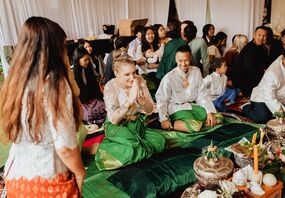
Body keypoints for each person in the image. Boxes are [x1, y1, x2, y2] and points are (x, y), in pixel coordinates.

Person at [0, 16, 85, 197]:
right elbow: (66, 147)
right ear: (52, 49)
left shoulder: (15, 80)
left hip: (15, 178)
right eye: (63, 47)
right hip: (47, 180)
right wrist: (80, 172)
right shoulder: (54, 83)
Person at [95, 53, 165, 170]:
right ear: (117, 74)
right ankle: (99, 148)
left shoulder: (139, 80)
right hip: (117, 125)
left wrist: (143, 102)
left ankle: (120, 143)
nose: (132, 77)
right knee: (133, 148)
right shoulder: (110, 86)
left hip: (135, 123)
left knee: (160, 142)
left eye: (134, 72)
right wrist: (130, 100)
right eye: (127, 74)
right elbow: (114, 120)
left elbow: (149, 109)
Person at [155, 45, 219, 133]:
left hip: (193, 107)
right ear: (176, 59)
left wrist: (209, 112)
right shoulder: (169, 77)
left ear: (190, 58)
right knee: (194, 127)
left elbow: (202, 94)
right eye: (180, 61)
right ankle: (173, 124)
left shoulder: (196, 71)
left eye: (186, 60)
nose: (183, 64)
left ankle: (201, 123)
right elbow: (161, 99)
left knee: (217, 118)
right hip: (177, 108)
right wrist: (163, 119)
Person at [242, 41, 285, 123]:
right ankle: (245, 106)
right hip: (263, 97)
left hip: (282, 97)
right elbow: (269, 98)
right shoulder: (272, 73)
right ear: (283, 59)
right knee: (263, 117)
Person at [73, 47, 106, 126]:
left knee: (106, 107)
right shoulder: (74, 75)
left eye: (88, 59)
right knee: (89, 114)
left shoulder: (89, 70)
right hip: (83, 103)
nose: (88, 62)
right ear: (78, 60)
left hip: (91, 100)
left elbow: (94, 89)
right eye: (85, 60)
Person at [233, 26, 269, 97]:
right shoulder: (249, 49)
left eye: (264, 36)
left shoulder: (262, 47)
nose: (261, 38)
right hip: (246, 82)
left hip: (255, 79)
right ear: (254, 35)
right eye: (259, 35)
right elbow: (250, 69)